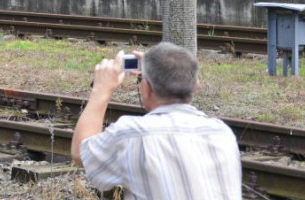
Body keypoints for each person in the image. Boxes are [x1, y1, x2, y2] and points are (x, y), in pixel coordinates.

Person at [71, 42, 242, 200]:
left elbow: (81, 153)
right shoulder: (222, 133)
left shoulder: (131, 134)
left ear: (146, 88)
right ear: (196, 86)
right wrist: (165, 67)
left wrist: (101, 89)